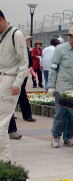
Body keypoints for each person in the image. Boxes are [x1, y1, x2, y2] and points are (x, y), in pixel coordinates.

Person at [0, 9, 28, 162]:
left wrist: (18, 82)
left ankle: (5, 160)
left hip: (10, 81)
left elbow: (24, 62)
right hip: (2, 78)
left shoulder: (16, 34)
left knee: (2, 123)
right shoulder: (2, 36)